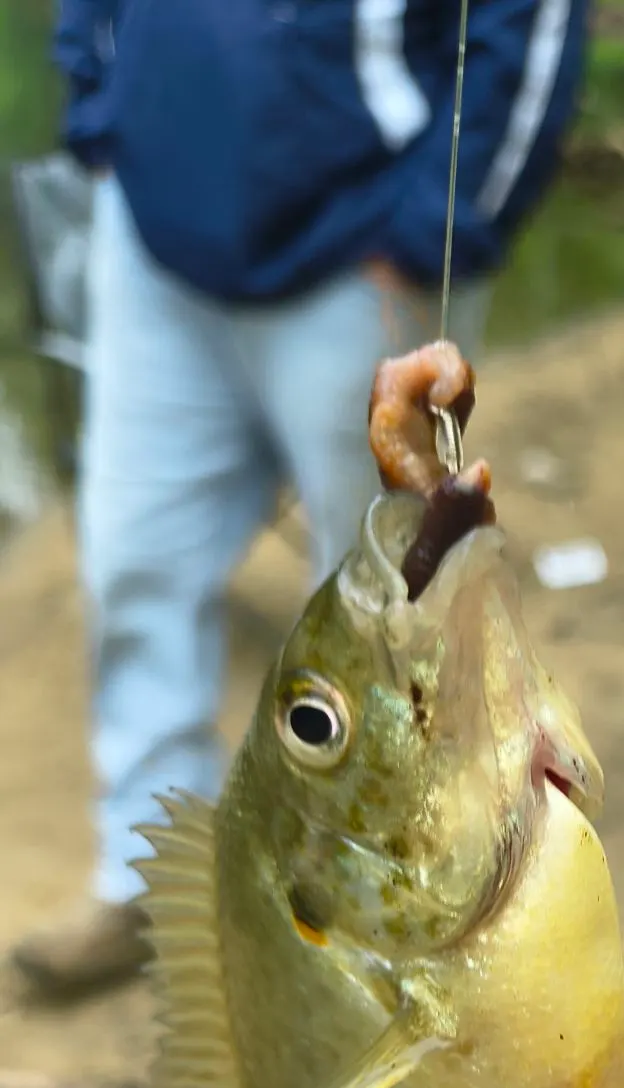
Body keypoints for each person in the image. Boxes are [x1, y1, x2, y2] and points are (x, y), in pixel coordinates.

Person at [13, 0, 589, 1006]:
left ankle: (384, 926)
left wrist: (440, 227)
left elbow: (530, 23)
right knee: (133, 561)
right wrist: (102, 121)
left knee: (387, 619)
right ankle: (150, 884)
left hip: (360, 251)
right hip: (153, 237)